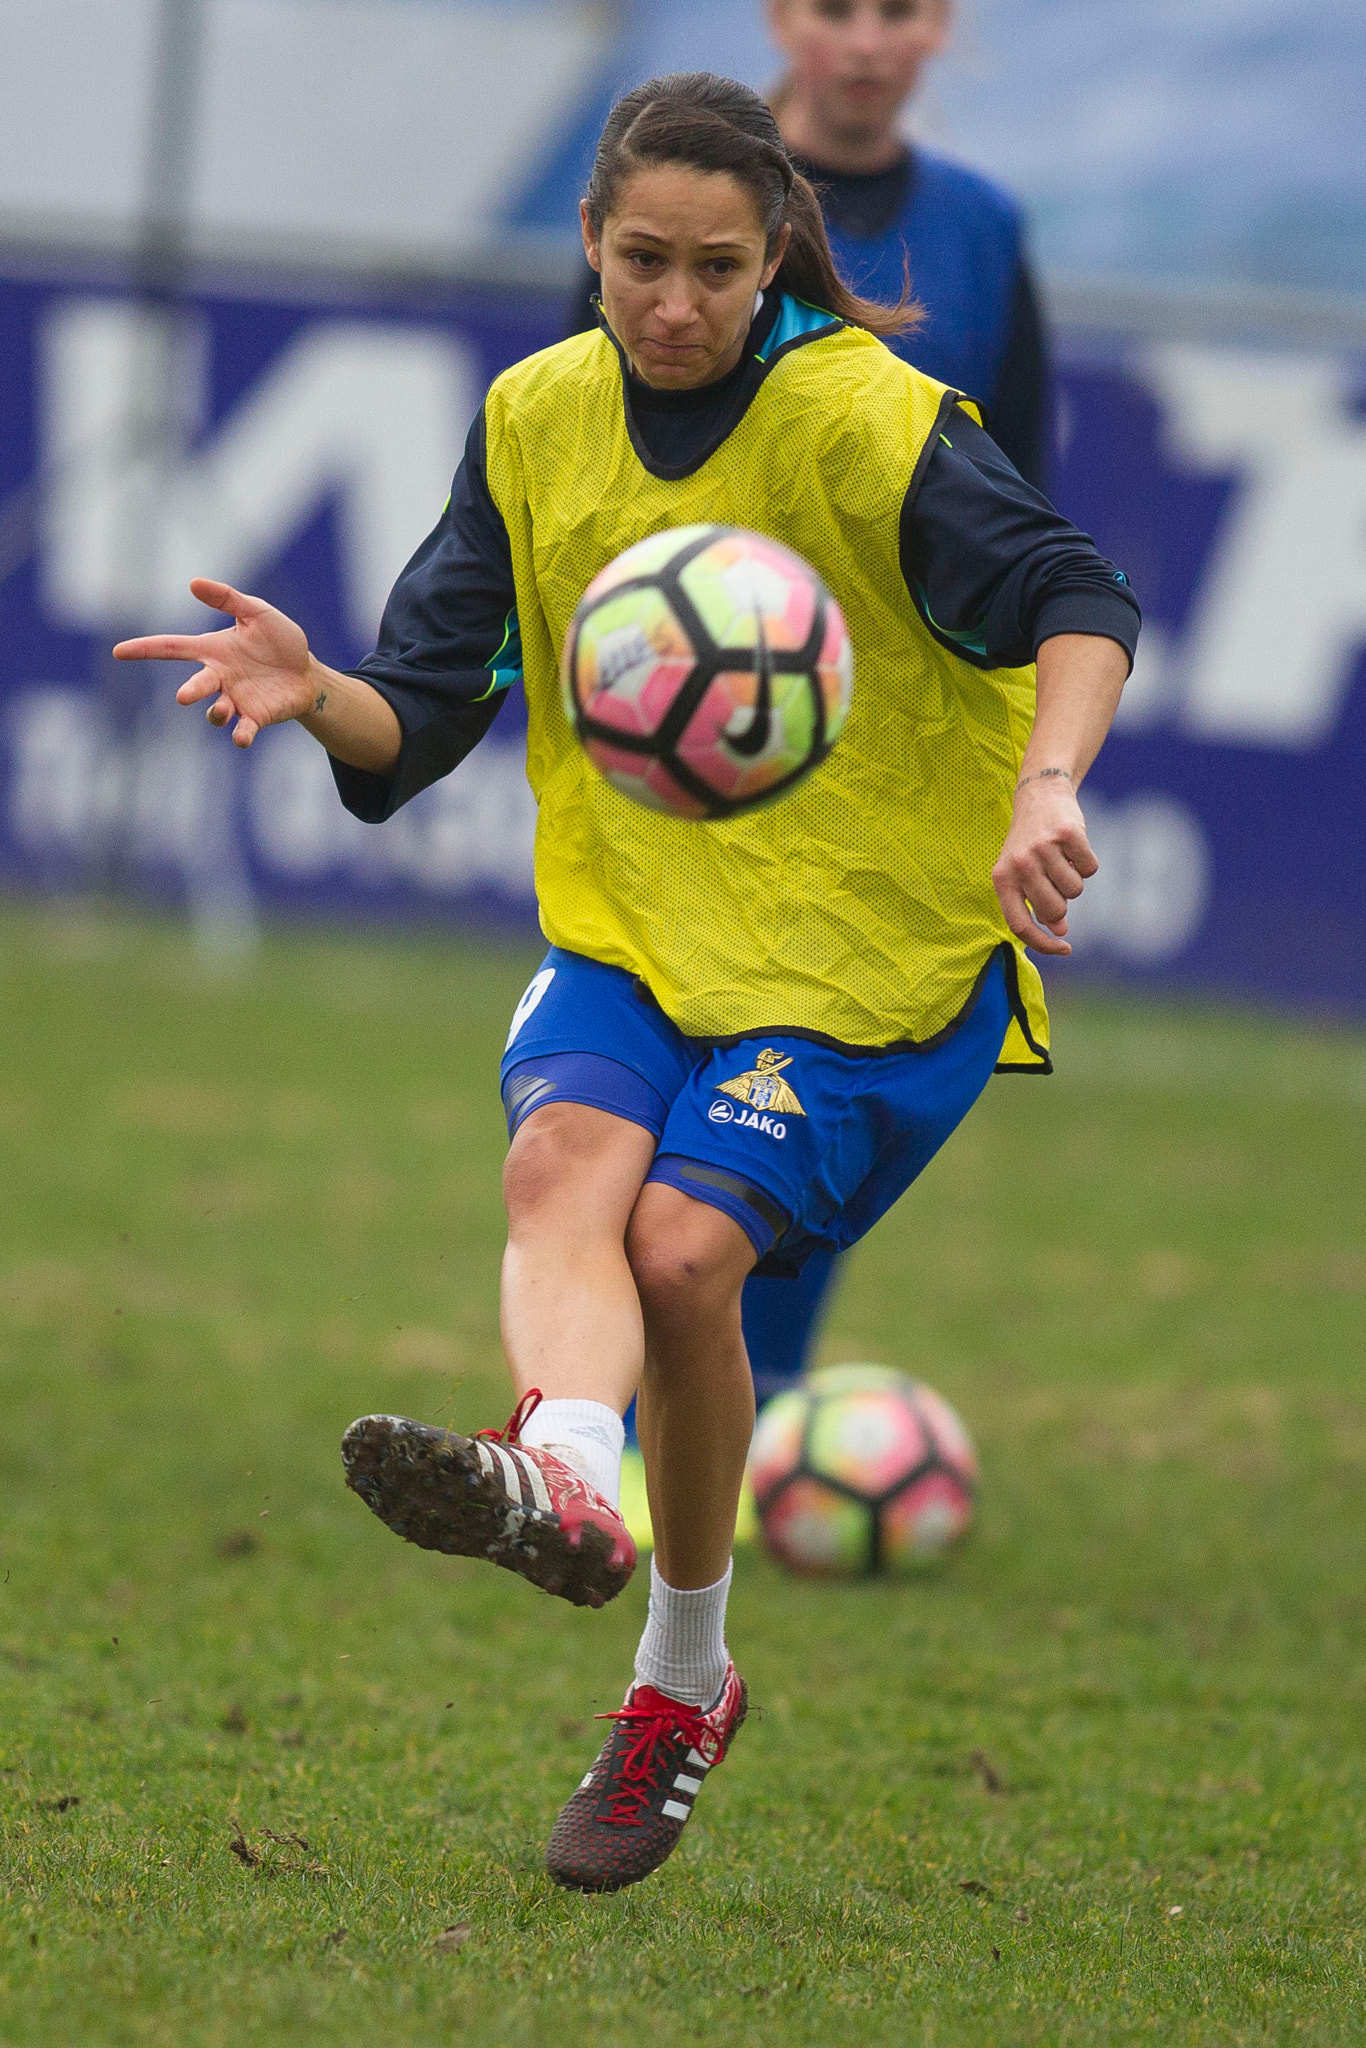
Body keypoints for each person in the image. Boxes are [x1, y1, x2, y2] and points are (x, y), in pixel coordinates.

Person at [115, 73, 1138, 1895]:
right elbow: (419, 708)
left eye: (715, 271)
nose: (671, 303)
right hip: (638, 921)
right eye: (640, 262)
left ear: (772, 272)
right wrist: (310, 685)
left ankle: (680, 1681)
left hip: (870, 953)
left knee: (681, 1253)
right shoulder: (536, 416)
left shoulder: (863, 418)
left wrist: (1044, 788)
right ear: (589, 245)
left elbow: (1078, 594)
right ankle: (566, 1475)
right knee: (555, 1171)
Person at [569, 1, 1052, 1413]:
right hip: (693, 736)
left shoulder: (976, 226)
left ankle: (747, 1407)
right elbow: (588, 454)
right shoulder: (663, 191)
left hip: (881, 753)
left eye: (896, 10)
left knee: (794, 1092)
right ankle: (617, 1430)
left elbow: (1020, 491)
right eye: (835, 7)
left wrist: (1037, 744)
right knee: (638, 1109)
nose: (862, 40)